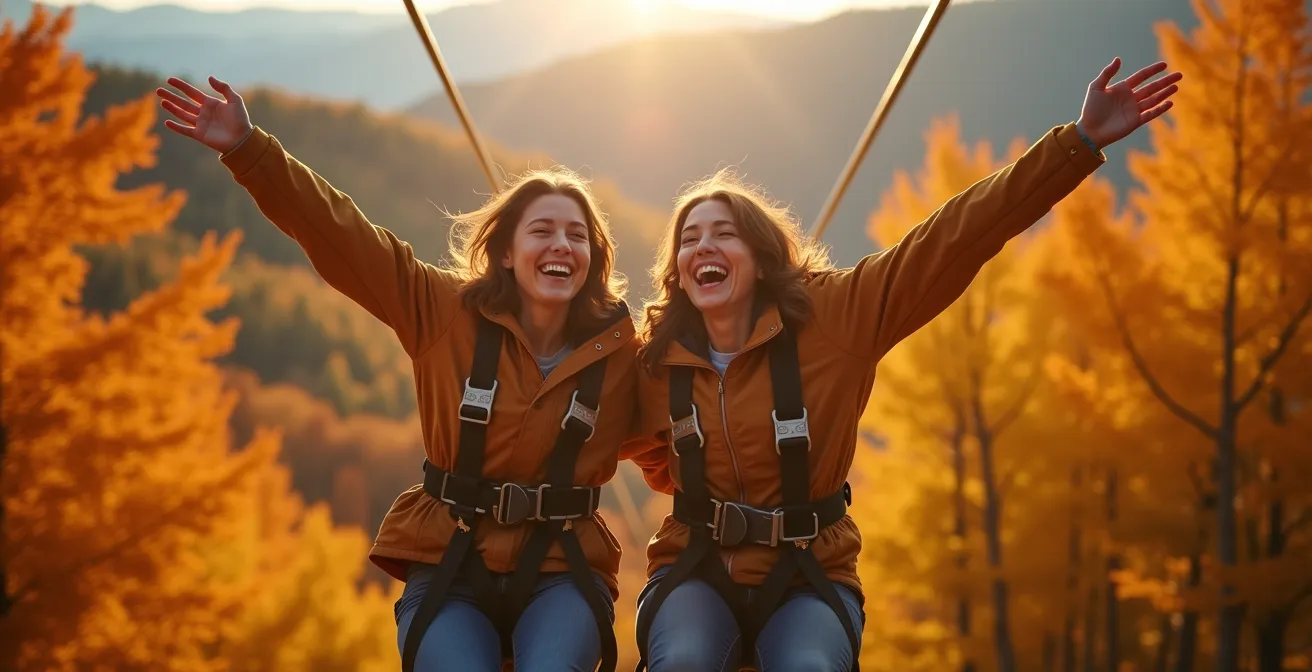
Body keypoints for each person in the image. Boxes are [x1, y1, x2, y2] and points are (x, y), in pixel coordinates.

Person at [621, 57, 1182, 672]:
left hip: (809, 575)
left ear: (760, 256)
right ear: (676, 271)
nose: (705, 246)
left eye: (724, 234)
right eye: (690, 239)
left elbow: (953, 238)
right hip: (696, 570)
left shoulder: (837, 317)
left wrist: (1076, 145)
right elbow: (587, 430)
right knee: (684, 661)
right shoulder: (654, 364)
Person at [156, 75, 640, 672]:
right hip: (451, 563)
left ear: (593, 259)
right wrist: (249, 150)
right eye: (542, 231)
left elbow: (697, 437)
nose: (561, 244)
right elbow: (343, 237)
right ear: (507, 253)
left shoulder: (622, 357)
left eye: (578, 235)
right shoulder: (441, 312)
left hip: (564, 572)